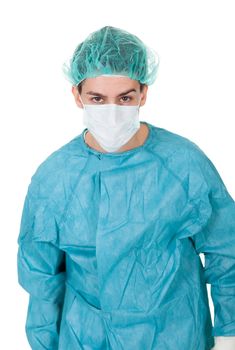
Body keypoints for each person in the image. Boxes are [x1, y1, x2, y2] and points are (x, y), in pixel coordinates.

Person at [17, 25, 235, 350]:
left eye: (124, 98)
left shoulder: (182, 164)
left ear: (143, 94)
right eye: (97, 98)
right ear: (77, 96)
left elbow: (226, 252)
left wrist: (228, 334)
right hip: (85, 339)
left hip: (175, 336)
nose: (112, 111)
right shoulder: (55, 177)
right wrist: (43, 343)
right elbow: (42, 280)